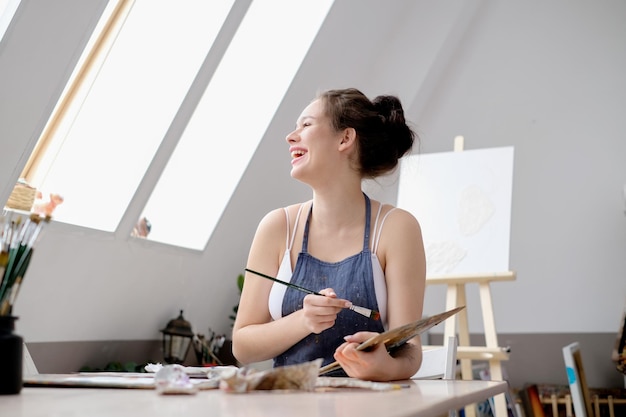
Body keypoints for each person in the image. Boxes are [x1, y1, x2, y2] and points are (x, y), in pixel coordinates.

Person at [232, 88, 426, 381]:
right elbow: (242, 347)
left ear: (345, 139)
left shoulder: (397, 228)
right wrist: (304, 320)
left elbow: (409, 349)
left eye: (306, 125)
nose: (291, 136)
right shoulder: (277, 228)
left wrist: (386, 367)